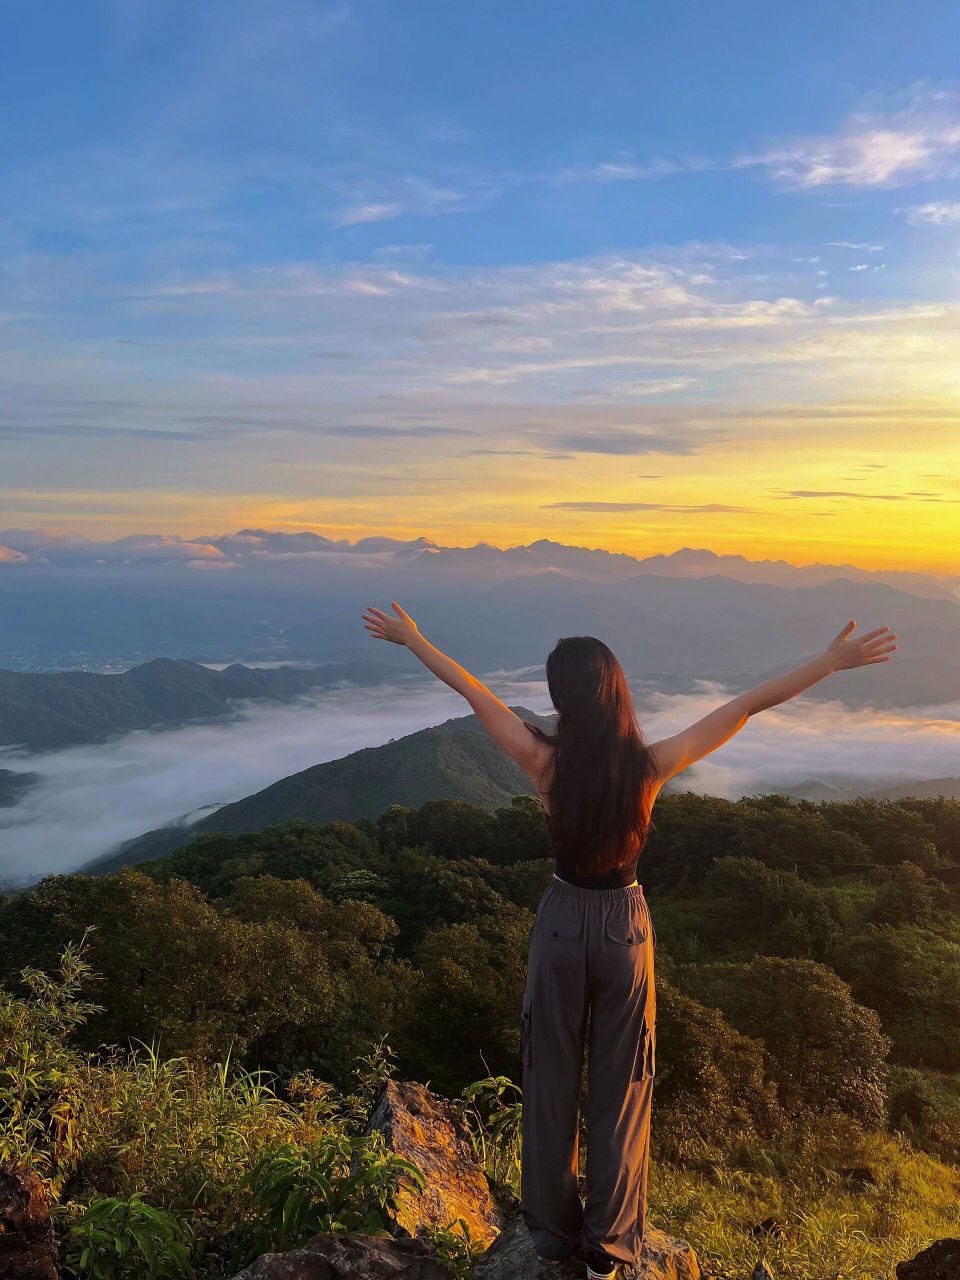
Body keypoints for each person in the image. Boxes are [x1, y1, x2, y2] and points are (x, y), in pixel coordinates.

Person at [360, 602, 896, 1280]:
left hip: (560, 922)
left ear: (563, 700)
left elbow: (473, 691)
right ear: (616, 692)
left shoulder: (540, 760)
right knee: (623, 1082)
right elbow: (744, 708)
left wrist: (415, 640)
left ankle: (552, 1236)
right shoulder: (652, 764)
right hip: (623, 926)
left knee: (550, 1073)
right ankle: (610, 1247)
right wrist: (827, 664)